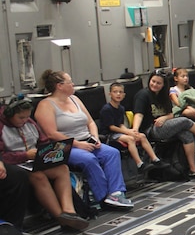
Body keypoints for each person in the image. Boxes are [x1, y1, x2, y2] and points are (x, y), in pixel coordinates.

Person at [35, 70, 133, 209]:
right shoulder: (46, 105)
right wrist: (78, 144)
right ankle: (103, 197)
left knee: (112, 153)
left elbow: (91, 122)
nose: (73, 84)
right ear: (60, 86)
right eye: (70, 82)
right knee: (88, 159)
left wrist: (94, 137)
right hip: (64, 146)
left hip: (86, 140)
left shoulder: (75, 99)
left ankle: (116, 193)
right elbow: (51, 134)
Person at [0, 96, 88, 231]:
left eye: (26, 117)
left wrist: (47, 153)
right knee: (38, 176)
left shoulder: (30, 123)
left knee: (62, 168)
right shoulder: (2, 127)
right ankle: (60, 216)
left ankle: (69, 212)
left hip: (34, 160)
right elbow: (2, 156)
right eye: (20, 118)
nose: (24, 121)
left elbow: (43, 142)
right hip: (16, 164)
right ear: (10, 115)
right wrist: (24, 155)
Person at [133, 72, 195, 179]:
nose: (155, 85)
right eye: (153, 82)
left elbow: (171, 114)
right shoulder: (143, 95)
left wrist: (164, 118)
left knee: (186, 133)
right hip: (151, 129)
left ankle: (193, 169)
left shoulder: (163, 95)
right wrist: (135, 130)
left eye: (158, 83)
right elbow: (139, 115)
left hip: (165, 124)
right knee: (184, 121)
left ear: (163, 85)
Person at [100, 82, 165, 173]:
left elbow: (120, 124)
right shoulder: (107, 109)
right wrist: (127, 132)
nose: (118, 94)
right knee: (130, 139)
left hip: (119, 132)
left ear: (124, 95)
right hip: (109, 135)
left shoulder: (121, 108)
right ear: (110, 94)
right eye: (115, 92)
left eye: (120, 92)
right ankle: (139, 164)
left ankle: (155, 159)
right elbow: (112, 127)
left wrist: (130, 131)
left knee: (141, 136)